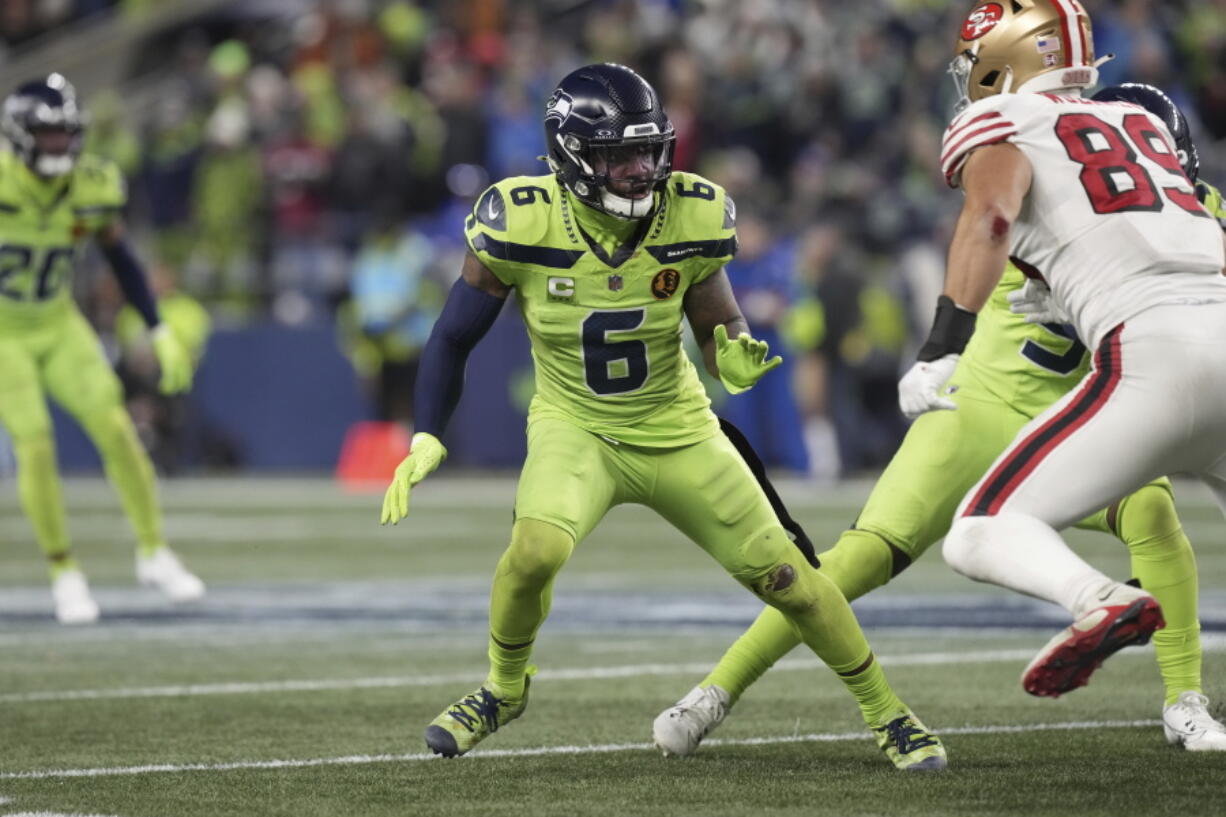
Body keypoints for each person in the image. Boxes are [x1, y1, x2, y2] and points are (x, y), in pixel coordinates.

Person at [380, 63, 946, 771]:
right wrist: (428, 432)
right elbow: (452, 336)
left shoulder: (693, 212)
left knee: (790, 578)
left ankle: (887, 711)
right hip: (576, 426)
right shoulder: (520, 217)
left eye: (647, 149)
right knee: (533, 554)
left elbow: (718, 321)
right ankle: (502, 688)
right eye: (619, 154)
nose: (640, 168)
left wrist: (729, 349)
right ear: (572, 155)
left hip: (678, 427)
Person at [653, 80, 1226, 756]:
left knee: (1155, 518)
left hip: (1078, 411)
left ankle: (1184, 700)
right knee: (858, 557)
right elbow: (990, 224)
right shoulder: (1049, 187)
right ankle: (713, 692)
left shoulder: (1197, 214)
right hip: (977, 405)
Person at [906, 1, 1226, 706]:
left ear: (1011, 54)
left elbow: (991, 217)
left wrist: (940, 346)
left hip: (1153, 357)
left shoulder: (1002, 121)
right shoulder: (1142, 122)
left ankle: (1100, 597)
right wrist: (1064, 296)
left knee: (981, 530)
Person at [0, 75, 205, 623]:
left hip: (56, 320)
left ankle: (153, 551)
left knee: (115, 428)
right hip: (3, 332)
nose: (59, 146)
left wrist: (158, 328)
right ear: (19, 135)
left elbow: (120, 257)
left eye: (66, 134)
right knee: (36, 443)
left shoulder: (92, 184)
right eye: (47, 136)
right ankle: (64, 571)